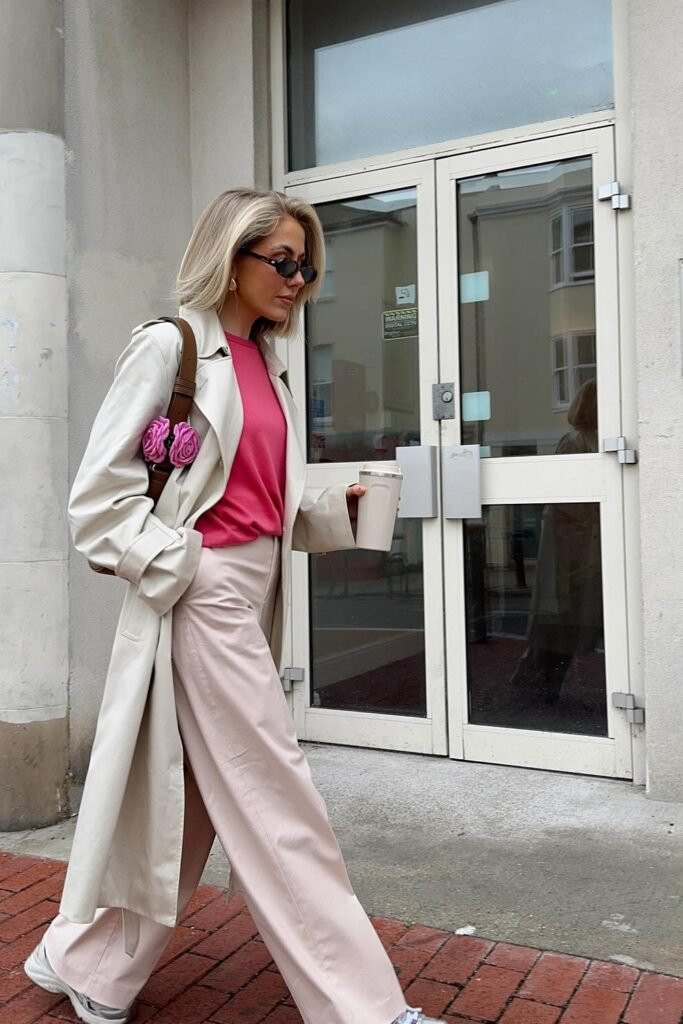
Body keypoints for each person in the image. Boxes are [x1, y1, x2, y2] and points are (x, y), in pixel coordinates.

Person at [24, 189, 441, 1024]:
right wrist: (183, 567)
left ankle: (88, 967)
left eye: (306, 266)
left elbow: (262, 505)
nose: (297, 280)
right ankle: (365, 1009)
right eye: (282, 261)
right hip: (203, 589)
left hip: (251, 591)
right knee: (275, 792)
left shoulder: (272, 368)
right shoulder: (170, 348)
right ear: (231, 256)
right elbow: (97, 504)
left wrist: (339, 508)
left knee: (198, 802)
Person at [509, 378, 603, 705]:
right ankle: (535, 685)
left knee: (564, 624)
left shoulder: (587, 440)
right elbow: (569, 500)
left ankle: (540, 685)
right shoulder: (577, 441)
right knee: (559, 622)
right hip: (573, 550)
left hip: (581, 547)